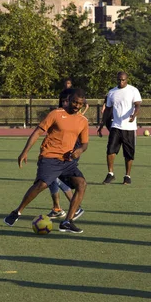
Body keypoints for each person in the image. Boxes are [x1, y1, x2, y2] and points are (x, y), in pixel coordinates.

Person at [4, 88, 89, 234]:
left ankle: (67, 222)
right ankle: (17, 212)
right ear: (69, 99)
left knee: (81, 183)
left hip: (67, 161)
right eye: (75, 102)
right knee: (42, 184)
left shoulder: (83, 121)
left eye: (80, 104)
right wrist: (25, 152)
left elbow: (85, 143)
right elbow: (38, 131)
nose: (76, 105)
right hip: (49, 157)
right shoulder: (56, 114)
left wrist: (79, 150)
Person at [47, 87, 89, 219]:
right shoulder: (60, 114)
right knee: (52, 178)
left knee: (54, 177)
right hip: (58, 152)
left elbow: (82, 141)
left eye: (67, 100)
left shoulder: (77, 117)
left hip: (70, 152)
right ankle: (57, 208)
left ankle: (74, 207)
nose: (65, 103)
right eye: (63, 101)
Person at [96, 71, 142, 185]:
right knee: (110, 150)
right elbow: (107, 110)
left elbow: (137, 105)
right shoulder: (112, 92)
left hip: (129, 128)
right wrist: (101, 125)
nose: (121, 82)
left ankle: (127, 176)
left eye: (123, 80)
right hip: (115, 126)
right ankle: (110, 174)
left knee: (128, 153)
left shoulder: (133, 90)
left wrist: (134, 115)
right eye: (119, 80)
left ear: (127, 80)